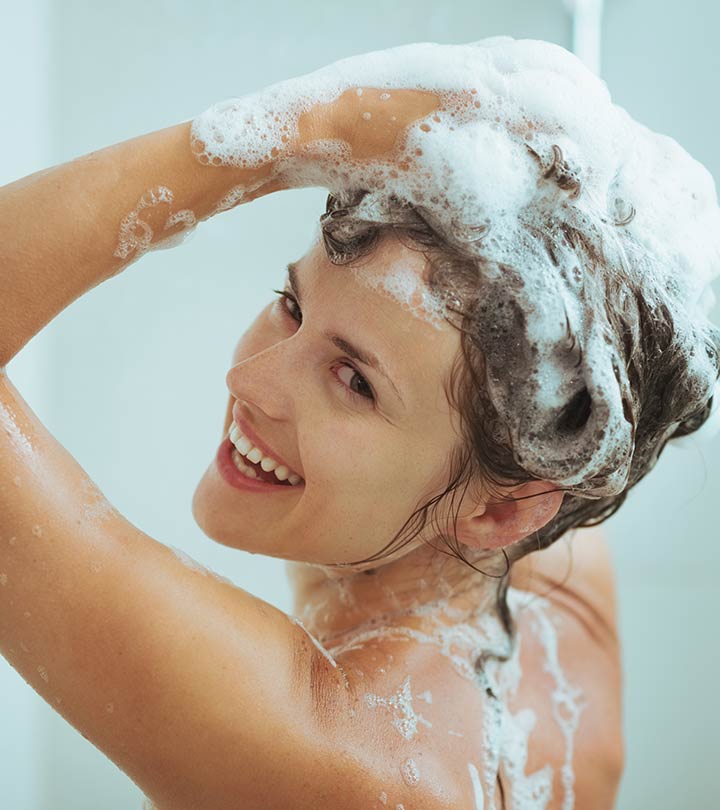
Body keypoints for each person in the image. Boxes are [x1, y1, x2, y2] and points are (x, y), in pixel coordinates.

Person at [1, 39, 717, 810]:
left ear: (504, 508)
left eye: (354, 382)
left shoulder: (324, 749)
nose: (247, 380)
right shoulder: (561, 629)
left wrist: (302, 127)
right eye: (292, 305)